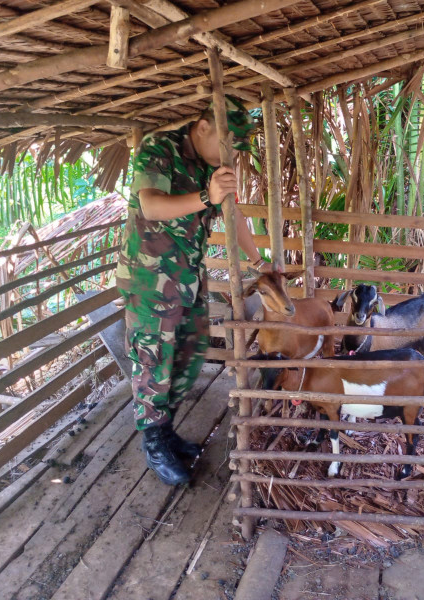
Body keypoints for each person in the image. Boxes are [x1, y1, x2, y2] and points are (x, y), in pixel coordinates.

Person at [116, 97, 270, 486]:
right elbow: (150, 207)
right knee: (154, 359)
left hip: (186, 279)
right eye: (227, 142)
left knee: (191, 348)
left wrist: (260, 263)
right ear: (202, 128)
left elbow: (232, 216)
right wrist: (206, 196)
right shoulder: (159, 149)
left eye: (236, 148)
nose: (230, 154)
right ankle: (153, 440)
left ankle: (164, 429)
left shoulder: (212, 168)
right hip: (150, 280)